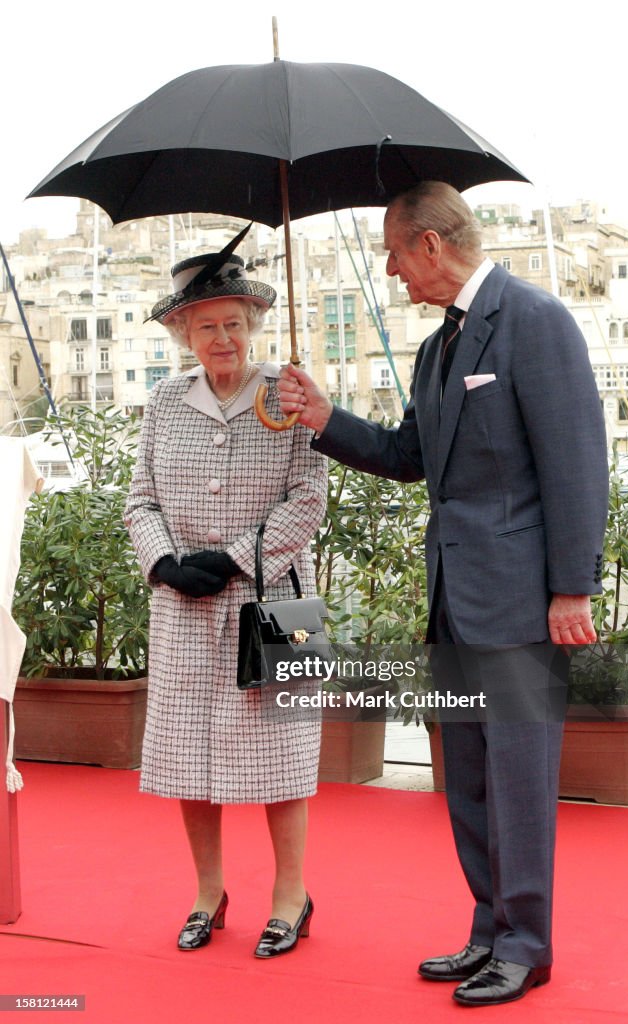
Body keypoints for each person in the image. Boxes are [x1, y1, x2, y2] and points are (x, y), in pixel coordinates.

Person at [277, 182, 608, 1007]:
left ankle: (526, 945)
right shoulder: (435, 350)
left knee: (521, 780)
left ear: (430, 244)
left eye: (393, 253)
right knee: (466, 779)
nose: (389, 271)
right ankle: (489, 930)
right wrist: (322, 416)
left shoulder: (533, 319)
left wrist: (572, 588)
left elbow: (576, 462)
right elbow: (404, 456)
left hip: (523, 600)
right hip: (452, 601)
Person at [124, 226, 327, 959]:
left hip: (279, 603)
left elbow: (308, 501)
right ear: (182, 331)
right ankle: (208, 892)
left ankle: (291, 896)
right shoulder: (163, 401)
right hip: (183, 605)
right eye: (206, 326)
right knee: (187, 756)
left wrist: (236, 558)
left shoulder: (289, 395)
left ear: (253, 325)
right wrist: (165, 564)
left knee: (283, 757)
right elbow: (138, 500)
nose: (222, 338)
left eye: (234, 324)